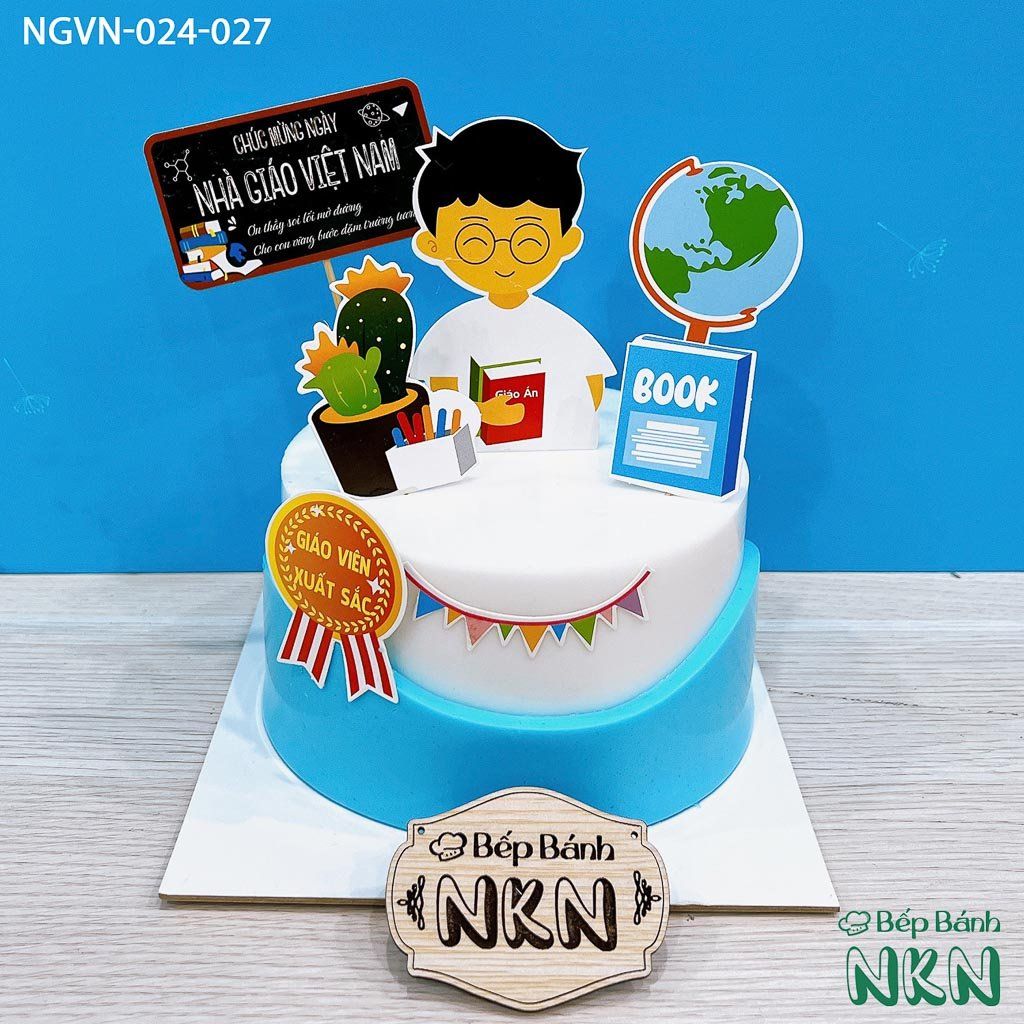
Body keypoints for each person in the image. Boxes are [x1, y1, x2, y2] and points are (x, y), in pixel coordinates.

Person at [410, 117, 615, 450]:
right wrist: (477, 414)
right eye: (474, 242)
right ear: (432, 245)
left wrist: (564, 429)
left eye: (529, 242)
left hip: (554, 454)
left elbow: (591, 384)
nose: (502, 258)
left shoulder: (560, 328)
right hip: (472, 459)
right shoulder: (450, 331)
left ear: (566, 241)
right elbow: (440, 393)